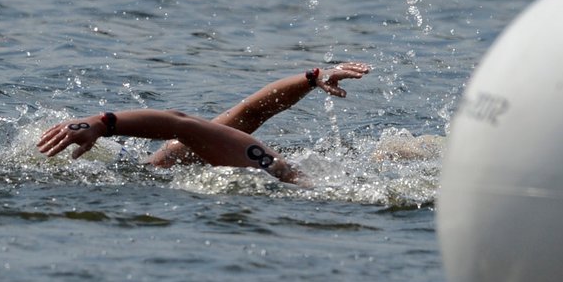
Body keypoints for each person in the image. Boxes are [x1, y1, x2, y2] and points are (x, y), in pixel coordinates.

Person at [36, 62, 371, 187]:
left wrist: (313, 79)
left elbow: (246, 115)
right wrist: (312, 78)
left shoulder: (172, 160)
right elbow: (184, 123)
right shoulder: (174, 159)